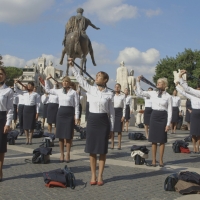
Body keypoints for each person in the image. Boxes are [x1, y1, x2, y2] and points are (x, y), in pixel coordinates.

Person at [69, 58, 114, 186]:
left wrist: (112, 129)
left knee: (102, 150)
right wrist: (72, 66)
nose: (96, 77)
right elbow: (80, 79)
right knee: (92, 150)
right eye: (96, 75)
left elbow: (112, 113)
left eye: (99, 76)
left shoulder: (110, 94)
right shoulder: (90, 89)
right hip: (93, 121)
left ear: (105, 80)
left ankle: (100, 175)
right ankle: (93, 175)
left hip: (103, 122)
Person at [136, 76, 172, 167]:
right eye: (157, 82)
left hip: (163, 116)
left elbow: (170, 110)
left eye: (160, 82)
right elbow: (140, 92)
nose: (158, 84)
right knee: (154, 140)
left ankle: (161, 160)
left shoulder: (168, 96)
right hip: (154, 115)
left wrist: (168, 124)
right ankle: (153, 160)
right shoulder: (152, 93)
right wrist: (138, 82)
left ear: (164, 85)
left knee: (162, 140)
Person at [45, 75, 79, 163]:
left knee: (68, 136)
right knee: (60, 135)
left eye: (66, 81)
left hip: (69, 113)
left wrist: (77, 116)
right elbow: (48, 90)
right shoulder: (59, 91)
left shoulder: (73, 92)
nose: (64, 83)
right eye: (63, 81)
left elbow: (77, 105)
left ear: (69, 83)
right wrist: (46, 80)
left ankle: (68, 153)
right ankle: (61, 154)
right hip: (60, 113)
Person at [176, 83, 200, 153]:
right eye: (197, 90)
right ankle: (194, 146)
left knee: (199, 132)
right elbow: (183, 93)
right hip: (194, 113)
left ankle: (198, 147)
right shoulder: (192, 96)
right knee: (193, 132)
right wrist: (177, 86)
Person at [0, 67, 13, 181]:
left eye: (1, 74)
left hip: (1, 118)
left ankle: (0, 170)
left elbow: (10, 109)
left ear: (4, 76)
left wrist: (7, 123)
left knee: (1, 147)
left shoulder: (8, 90)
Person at [111, 83, 125, 150]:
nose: (117, 88)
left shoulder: (122, 96)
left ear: (120, 88)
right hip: (113, 112)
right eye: (115, 87)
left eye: (118, 87)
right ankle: (112, 143)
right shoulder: (112, 96)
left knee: (119, 130)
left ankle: (119, 144)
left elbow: (124, 107)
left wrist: (123, 116)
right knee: (112, 129)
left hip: (119, 112)